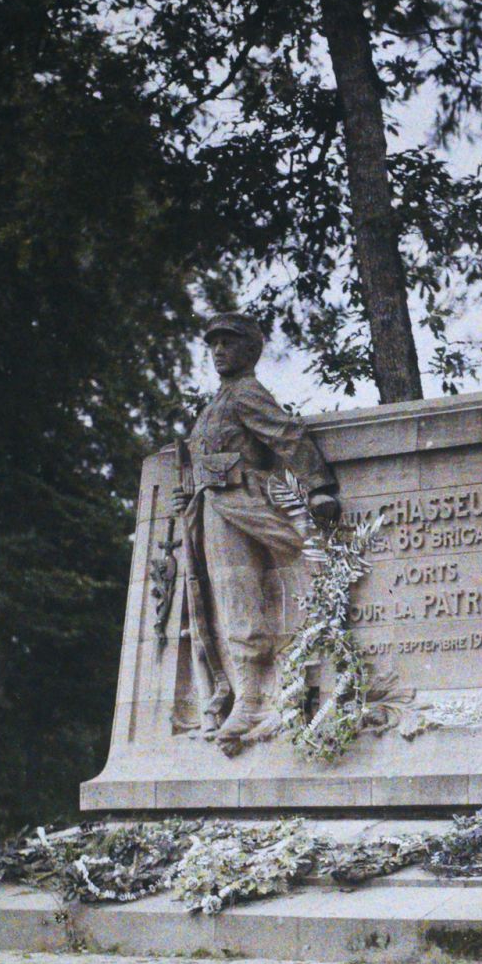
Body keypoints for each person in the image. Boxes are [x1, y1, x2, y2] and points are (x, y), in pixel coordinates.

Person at [171, 313, 340, 753]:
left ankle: (255, 699)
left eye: (228, 342)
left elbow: (287, 436)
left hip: (244, 505)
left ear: (250, 349)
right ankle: (245, 696)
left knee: (241, 598)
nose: (219, 351)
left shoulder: (246, 393)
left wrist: (320, 486)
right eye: (214, 345)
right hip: (211, 508)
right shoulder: (216, 402)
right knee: (228, 601)